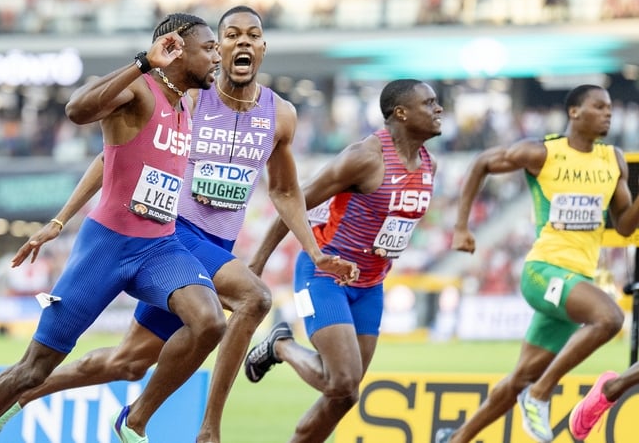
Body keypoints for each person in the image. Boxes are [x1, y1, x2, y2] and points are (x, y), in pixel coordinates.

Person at [0, 6, 359, 443]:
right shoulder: (190, 95)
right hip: (171, 235)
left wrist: (314, 251)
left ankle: (25, 394)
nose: (241, 43)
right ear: (215, 48)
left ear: (262, 47)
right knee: (253, 299)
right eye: (229, 35)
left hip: (214, 247)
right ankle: (201, 427)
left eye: (251, 35)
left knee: (129, 362)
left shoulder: (280, 115)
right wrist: (60, 219)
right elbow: (112, 157)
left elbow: (287, 192)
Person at [0, 13, 226, 443]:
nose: (217, 55)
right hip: (107, 249)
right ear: (176, 49)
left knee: (209, 321)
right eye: (208, 48)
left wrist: (59, 219)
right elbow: (77, 110)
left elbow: (106, 159)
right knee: (33, 369)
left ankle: (134, 421)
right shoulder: (139, 88)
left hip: (158, 248)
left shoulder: (184, 105)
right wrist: (142, 63)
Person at [434, 84, 639, 443]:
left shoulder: (612, 160)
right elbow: (482, 162)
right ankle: (541, 394)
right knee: (609, 318)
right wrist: (462, 226)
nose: (608, 113)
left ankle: (457, 438)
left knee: (519, 378)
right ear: (574, 112)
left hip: (576, 282)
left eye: (610, 108)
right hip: (543, 272)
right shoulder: (543, 153)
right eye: (599, 106)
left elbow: (623, 225)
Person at [244, 79, 442, 443]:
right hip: (324, 276)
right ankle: (280, 345)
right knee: (342, 380)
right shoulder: (364, 158)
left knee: (345, 396)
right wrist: (257, 262)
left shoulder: (429, 164)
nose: (439, 109)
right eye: (429, 103)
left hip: (370, 285)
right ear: (401, 113)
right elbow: (294, 200)